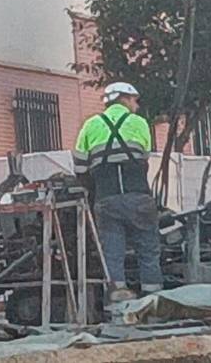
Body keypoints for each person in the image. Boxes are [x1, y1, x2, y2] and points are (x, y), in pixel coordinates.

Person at [72, 82, 162, 303]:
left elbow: (80, 168)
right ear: (125, 99)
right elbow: (143, 158)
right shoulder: (139, 123)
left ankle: (117, 305)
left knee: (112, 254)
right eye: (134, 100)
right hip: (138, 197)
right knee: (148, 251)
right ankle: (153, 302)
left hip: (106, 199)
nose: (136, 105)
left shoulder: (90, 126)